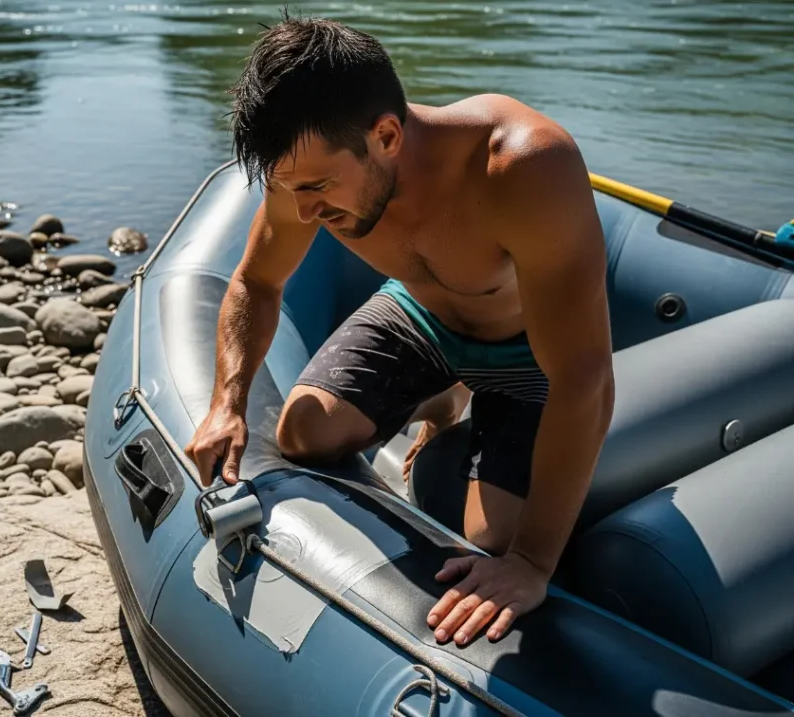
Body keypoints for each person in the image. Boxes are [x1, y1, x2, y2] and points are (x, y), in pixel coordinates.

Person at [183, 11, 615, 649]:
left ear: (386, 134)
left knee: (489, 541)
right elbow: (256, 282)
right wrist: (227, 402)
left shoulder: (521, 165)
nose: (304, 212)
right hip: (421, 317)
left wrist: (530, 565)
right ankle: (442, 397)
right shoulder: (305, 165)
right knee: (303, 433)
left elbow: (583, 375)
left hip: (530, 355)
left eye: (318, 187)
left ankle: (468, 406)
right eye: (288, 189)